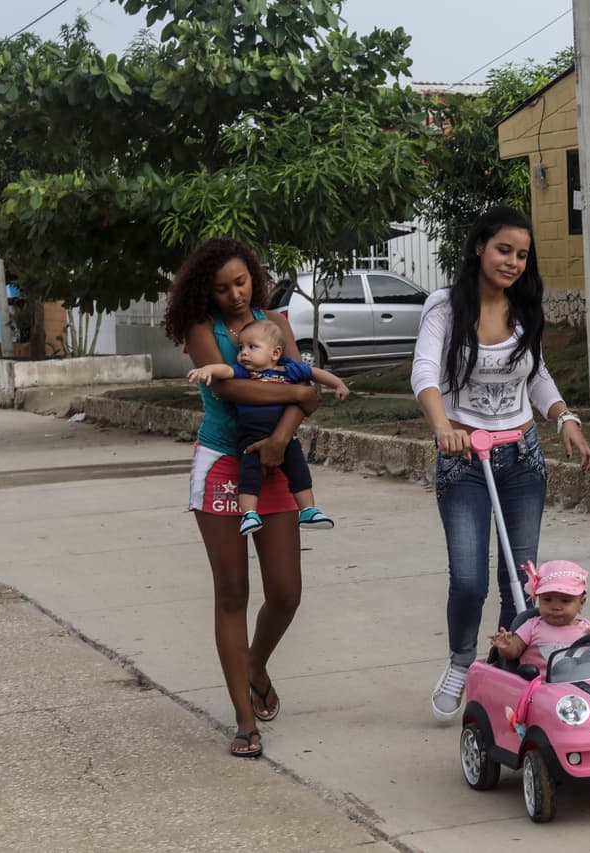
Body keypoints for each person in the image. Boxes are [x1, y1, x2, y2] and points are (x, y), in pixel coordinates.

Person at [411, 205, 590, 723]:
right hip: (463, 457)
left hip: (521, 457)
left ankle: (505, 664)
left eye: (521, 254)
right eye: (503, 250)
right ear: (479, 248)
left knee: (520, 578)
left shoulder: (524, 309)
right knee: (468, 578)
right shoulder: (445, 307)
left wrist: (564, 419)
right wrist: (443, 426)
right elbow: (423, 371)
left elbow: (536, 377)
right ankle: (461, 660)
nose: (512, 262)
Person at [164, 237, 320, 757]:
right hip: (222, 464)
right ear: (203, 289)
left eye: (241, 282)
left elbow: (310, 394)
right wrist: (296, 392)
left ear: (253, 275)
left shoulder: (276, 320)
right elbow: (230, 390)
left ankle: (255, 664)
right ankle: (243, 720)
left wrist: (280, 438)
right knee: (231, 593)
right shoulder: (200, 329)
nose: (234, 294)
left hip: (273, 462)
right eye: (221, 287)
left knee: (286, 593)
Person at [186, 318, 348, 535]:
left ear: (274, 353)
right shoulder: (246, 372)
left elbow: (314, 373)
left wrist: (337, 383)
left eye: (252, 347)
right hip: (250, 438)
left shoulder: (290, 370)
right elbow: (225, 371)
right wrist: (208, 369)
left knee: (299, 471)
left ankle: (308, 510)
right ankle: (249, 514)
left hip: (284, 437)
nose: (244, 353)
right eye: (241, 348)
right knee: (249, 476)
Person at [488, 560, 590, 676]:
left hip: (576, 688)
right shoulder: (532, 626)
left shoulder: (586, 629)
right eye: (547, 600)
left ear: (581, 604)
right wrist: (507, 646)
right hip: (538, 688)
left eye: (565, 601)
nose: (556, 607)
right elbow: (514, 650)